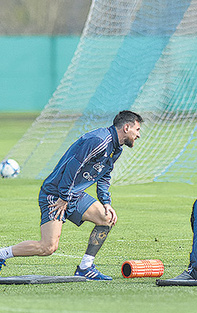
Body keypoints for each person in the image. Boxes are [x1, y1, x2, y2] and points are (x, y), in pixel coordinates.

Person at [0, 110, 143, 280]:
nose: (138, 135)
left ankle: (85, 267)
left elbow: (104, 174)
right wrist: (64, 197)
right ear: (127, 127)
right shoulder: (99, 140)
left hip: (72, 194)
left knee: (107, 218)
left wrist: (106, 202)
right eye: (138, 130)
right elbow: (73, 167)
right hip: (55, 194)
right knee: (48, 247)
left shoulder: (116, 148)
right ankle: (2, 254)